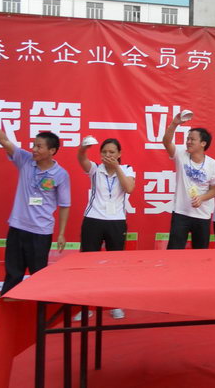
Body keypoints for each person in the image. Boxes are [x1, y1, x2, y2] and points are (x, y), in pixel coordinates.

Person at [0, 123, 70, 295]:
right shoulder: (25, 160)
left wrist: (61, 233)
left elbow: (65, 205)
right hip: (17, 228)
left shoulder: (61, 174)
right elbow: (4, 140)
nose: (34, 149)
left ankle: (39, 311)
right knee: (13, 274)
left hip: (41, 232)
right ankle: (8, 309)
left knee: (38, 276)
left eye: (39, 146)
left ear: (52, 151)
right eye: (34, 145)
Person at [76, 137, 135, 320]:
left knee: (115, 265)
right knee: (87, 265)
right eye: (104, 152)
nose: (108, 155)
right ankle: (85, 306)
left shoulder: (127, 169)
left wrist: (117, 168)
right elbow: (81, 158)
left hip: (116, 221)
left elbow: (129, 188)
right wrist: (83, 148)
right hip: (93, 219)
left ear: (119, 154)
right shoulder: (95, 169)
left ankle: (115, 304)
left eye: (112, 152)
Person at [162, 113, 215, 249]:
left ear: (203, 143)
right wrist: (174, 123)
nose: (188, 142)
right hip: (181, 213)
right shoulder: (181, 154)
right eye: (188, 139)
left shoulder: (212, 164)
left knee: (200, 254)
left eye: (192, 139)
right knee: (174, 252)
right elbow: (166, 142)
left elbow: (214, 190)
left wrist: (202, 198)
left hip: (202, 215)